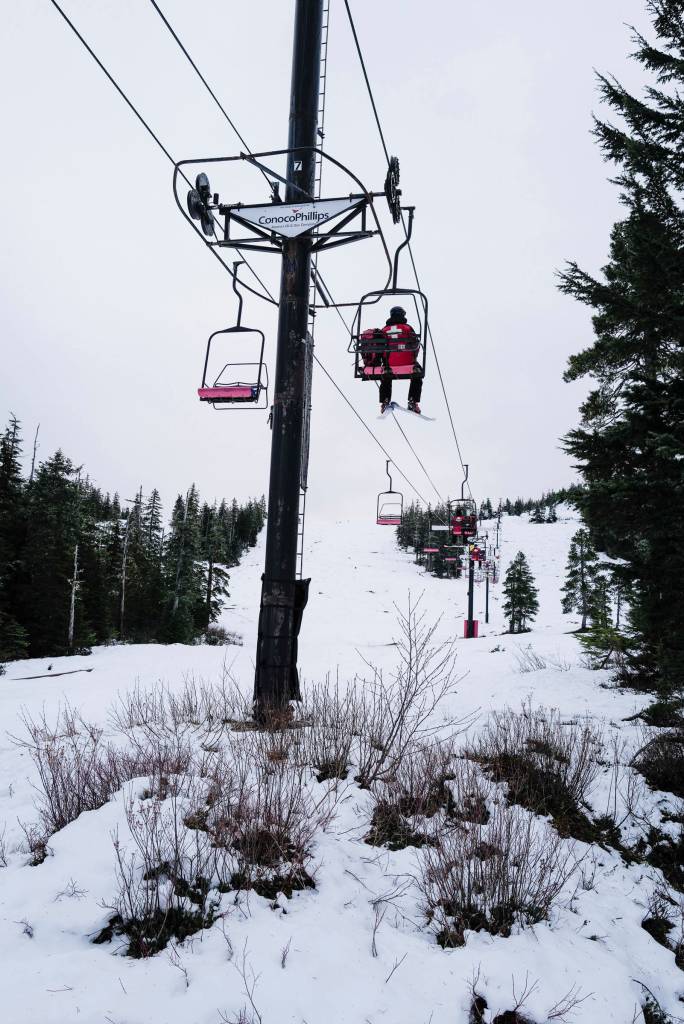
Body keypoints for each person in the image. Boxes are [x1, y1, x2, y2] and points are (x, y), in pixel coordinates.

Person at [377, 306, 423, 414]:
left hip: (389, 364)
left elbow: (379, 348)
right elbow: (416, 345)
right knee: (418, 374)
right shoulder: (407, 328)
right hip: (407, 362)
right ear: (402, 315)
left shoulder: (384, 330)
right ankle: (413, 401)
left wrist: (384, 358)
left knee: (386, 374)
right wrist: (413, 357)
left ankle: (385, 401)